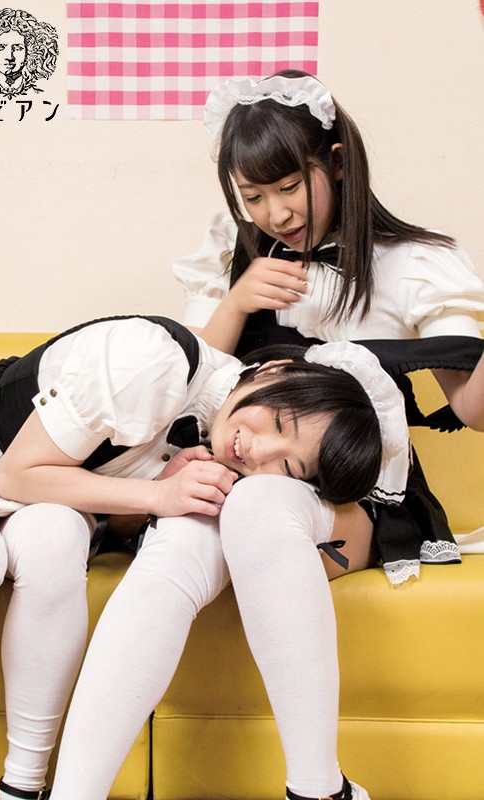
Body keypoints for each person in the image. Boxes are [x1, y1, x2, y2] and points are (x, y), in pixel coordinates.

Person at [0, 315, 406, 800]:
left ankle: (23, 789)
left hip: (38, 504)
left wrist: (154, 491)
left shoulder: (211, 446)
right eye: (277, 422)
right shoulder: (152, 361)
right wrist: (156, 496)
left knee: (56, 541)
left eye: (287, 466)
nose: (257, 451)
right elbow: (14, 477)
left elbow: (101, 512)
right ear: (273, 370)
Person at [173, 70, 484, 586]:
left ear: (337, 162)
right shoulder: (232, 252)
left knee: (261, 507)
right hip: (240, 469)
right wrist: (236, 302)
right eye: (253, 197)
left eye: (289, 187)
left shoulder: (416, 263)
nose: (276, 213)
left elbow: (473, 411)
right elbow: (184, 389)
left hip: (359, 493)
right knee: (187, 536)